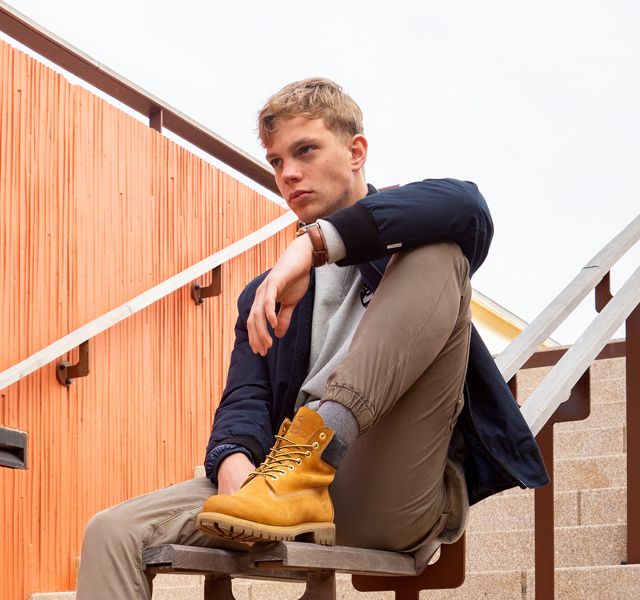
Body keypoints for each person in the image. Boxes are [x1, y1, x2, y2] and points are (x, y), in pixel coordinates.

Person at [76, 77, 547, 599]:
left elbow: (467, 204)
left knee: (440, 251)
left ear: (356, 152)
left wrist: (311, 246)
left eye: (305, 151)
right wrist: (233, 463)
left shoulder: (411, 238)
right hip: (285, 488)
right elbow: (244, 399)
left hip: (388, 479)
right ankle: (290, 475)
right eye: (277, 161)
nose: (288, 174)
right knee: (112, 532)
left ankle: (311, 453)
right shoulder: (265, 294)